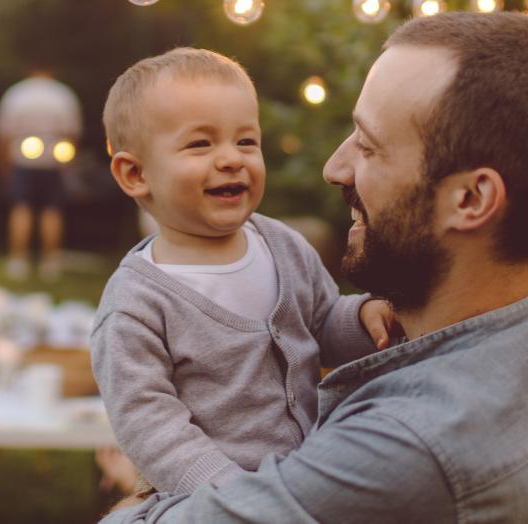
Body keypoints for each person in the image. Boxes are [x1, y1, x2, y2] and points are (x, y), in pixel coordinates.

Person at [105, 12, 528, 522]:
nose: (335, 167)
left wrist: (140, 499)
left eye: (368, 145)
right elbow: (148, 413)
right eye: (200, 143)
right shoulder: (527, 344)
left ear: (471, 198)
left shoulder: (405, 448)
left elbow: (321, 317)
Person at [91, 48, 399, 496]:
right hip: (219, 504)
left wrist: (361, 318)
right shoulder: (135, 304)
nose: (231, 159)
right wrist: (232, 496)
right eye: (201, 143)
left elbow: (321, 323)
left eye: (246, 141)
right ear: (136, 174)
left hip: (308, 481)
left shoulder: (283, 246)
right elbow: (149, 423)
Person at [0, 72, 82, 282]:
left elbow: (4, 133)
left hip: (22, 161)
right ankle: (50, 262)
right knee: (52, 210)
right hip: (53, 160)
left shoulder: (16, 93)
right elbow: (73, 133)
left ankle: (18, 261)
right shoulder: (63, 94)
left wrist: (4, 165)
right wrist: (68, 164)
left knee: (21, 208)